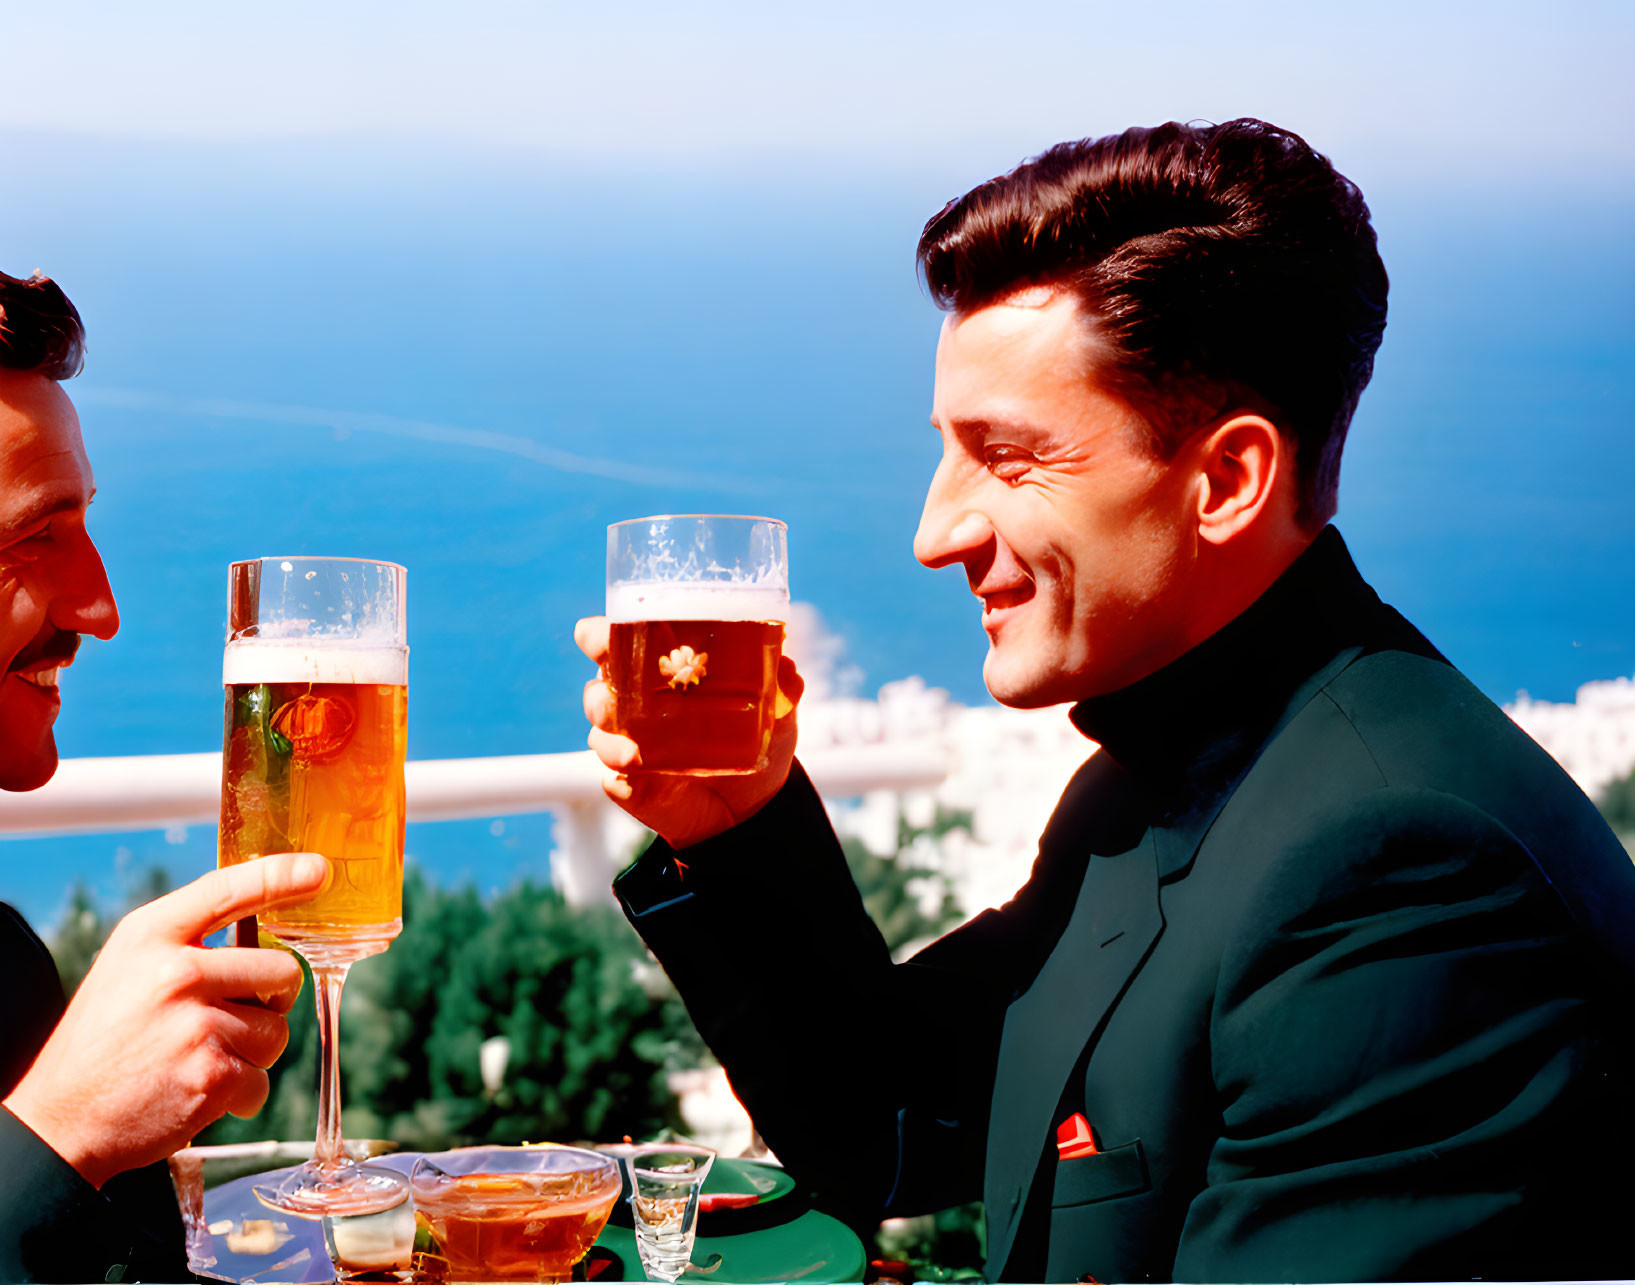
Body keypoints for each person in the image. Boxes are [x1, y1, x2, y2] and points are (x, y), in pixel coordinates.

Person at [576, 119, 1635, 1281]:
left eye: (1010, 456)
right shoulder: (1155, 785)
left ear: (1226, 480)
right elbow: (893, 1125)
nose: (935, 534)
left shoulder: (1403, 871)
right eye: (948, 449)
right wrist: (735, 822)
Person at [0, 268, 330, 1282]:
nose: (102, 608)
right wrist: (57, 1134)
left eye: (86, 521)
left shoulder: (6, 970)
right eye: (35, 535)